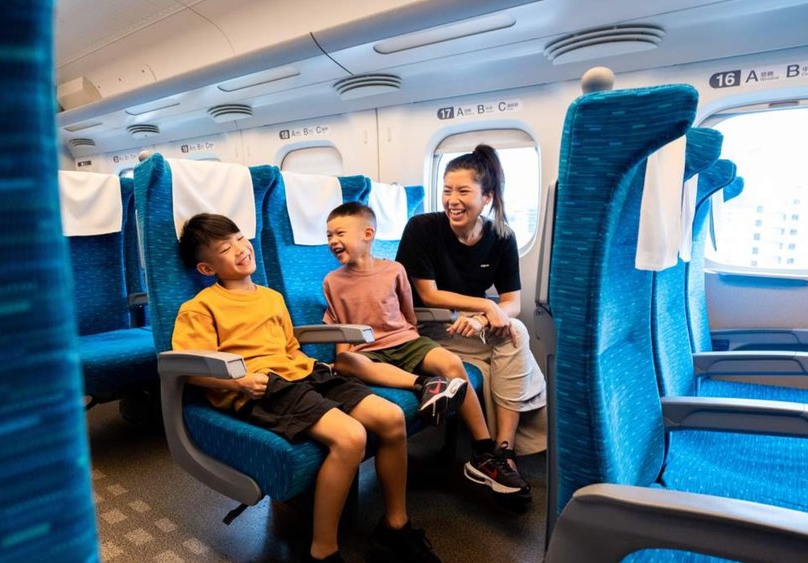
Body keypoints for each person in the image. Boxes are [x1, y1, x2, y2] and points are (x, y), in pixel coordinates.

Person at [172, 213, 441, 563]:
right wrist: (237, 381)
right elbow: (187, 368)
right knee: (351, 437)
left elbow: (287, 347)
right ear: (208, 269)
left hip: (303, 374)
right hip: (264, 386)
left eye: (240, 238)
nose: (241, 249)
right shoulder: (200, 308)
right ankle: (323, 551)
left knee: (391, 418)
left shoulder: (270, 297)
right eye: (226, 248)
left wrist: (318, 368)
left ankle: (394, 527)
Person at [323, 202, 530, 497]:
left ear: (368, 233)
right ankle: (425, 385)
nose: (332, 241)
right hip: (369, 350)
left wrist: (418, 345)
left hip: (406, 341)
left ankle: (484, 450)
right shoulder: (332, 282)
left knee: (450, 363)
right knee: (349, 362)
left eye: (339, 233)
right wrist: (342, 359)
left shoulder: (394, 271)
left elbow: (409, 314)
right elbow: (339, 324)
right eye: (328, 235)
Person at [395, 144, 547, 492]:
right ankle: (498, 455)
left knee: (514, 331)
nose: (452, 200)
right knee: (514, 337)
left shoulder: (502, 237)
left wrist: (483, 317)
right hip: (423, 323)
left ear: (488, 198)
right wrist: (485, 307)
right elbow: (429, 294)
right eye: (447, 190)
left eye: (463, 191)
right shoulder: (423, 228)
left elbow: (511, 302)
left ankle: (501, 451)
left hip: (464, 325)